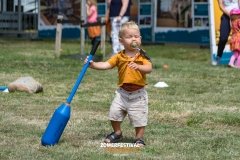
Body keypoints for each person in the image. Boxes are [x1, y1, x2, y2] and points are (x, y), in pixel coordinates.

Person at [84, 21, 152, 146]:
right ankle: (117, 132)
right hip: (122, 93)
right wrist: (93, 65)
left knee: (139, 118)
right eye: (129, 37)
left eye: (136, 36)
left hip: (138, 95)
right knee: (114, 114)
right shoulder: (119, 56)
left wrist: (139, 67)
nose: (133, 39)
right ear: (121, 41)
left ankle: (139, 138)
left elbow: (149, 68)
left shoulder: (141, 55)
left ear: (140, 39)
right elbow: (106, 65)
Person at [213, 0, 240, 66]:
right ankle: (218, 56)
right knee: (223, 38)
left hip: (237, 16)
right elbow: (221, 6)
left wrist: (237, 15)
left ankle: (236, 60)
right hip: (226, 16)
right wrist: (231, 15)